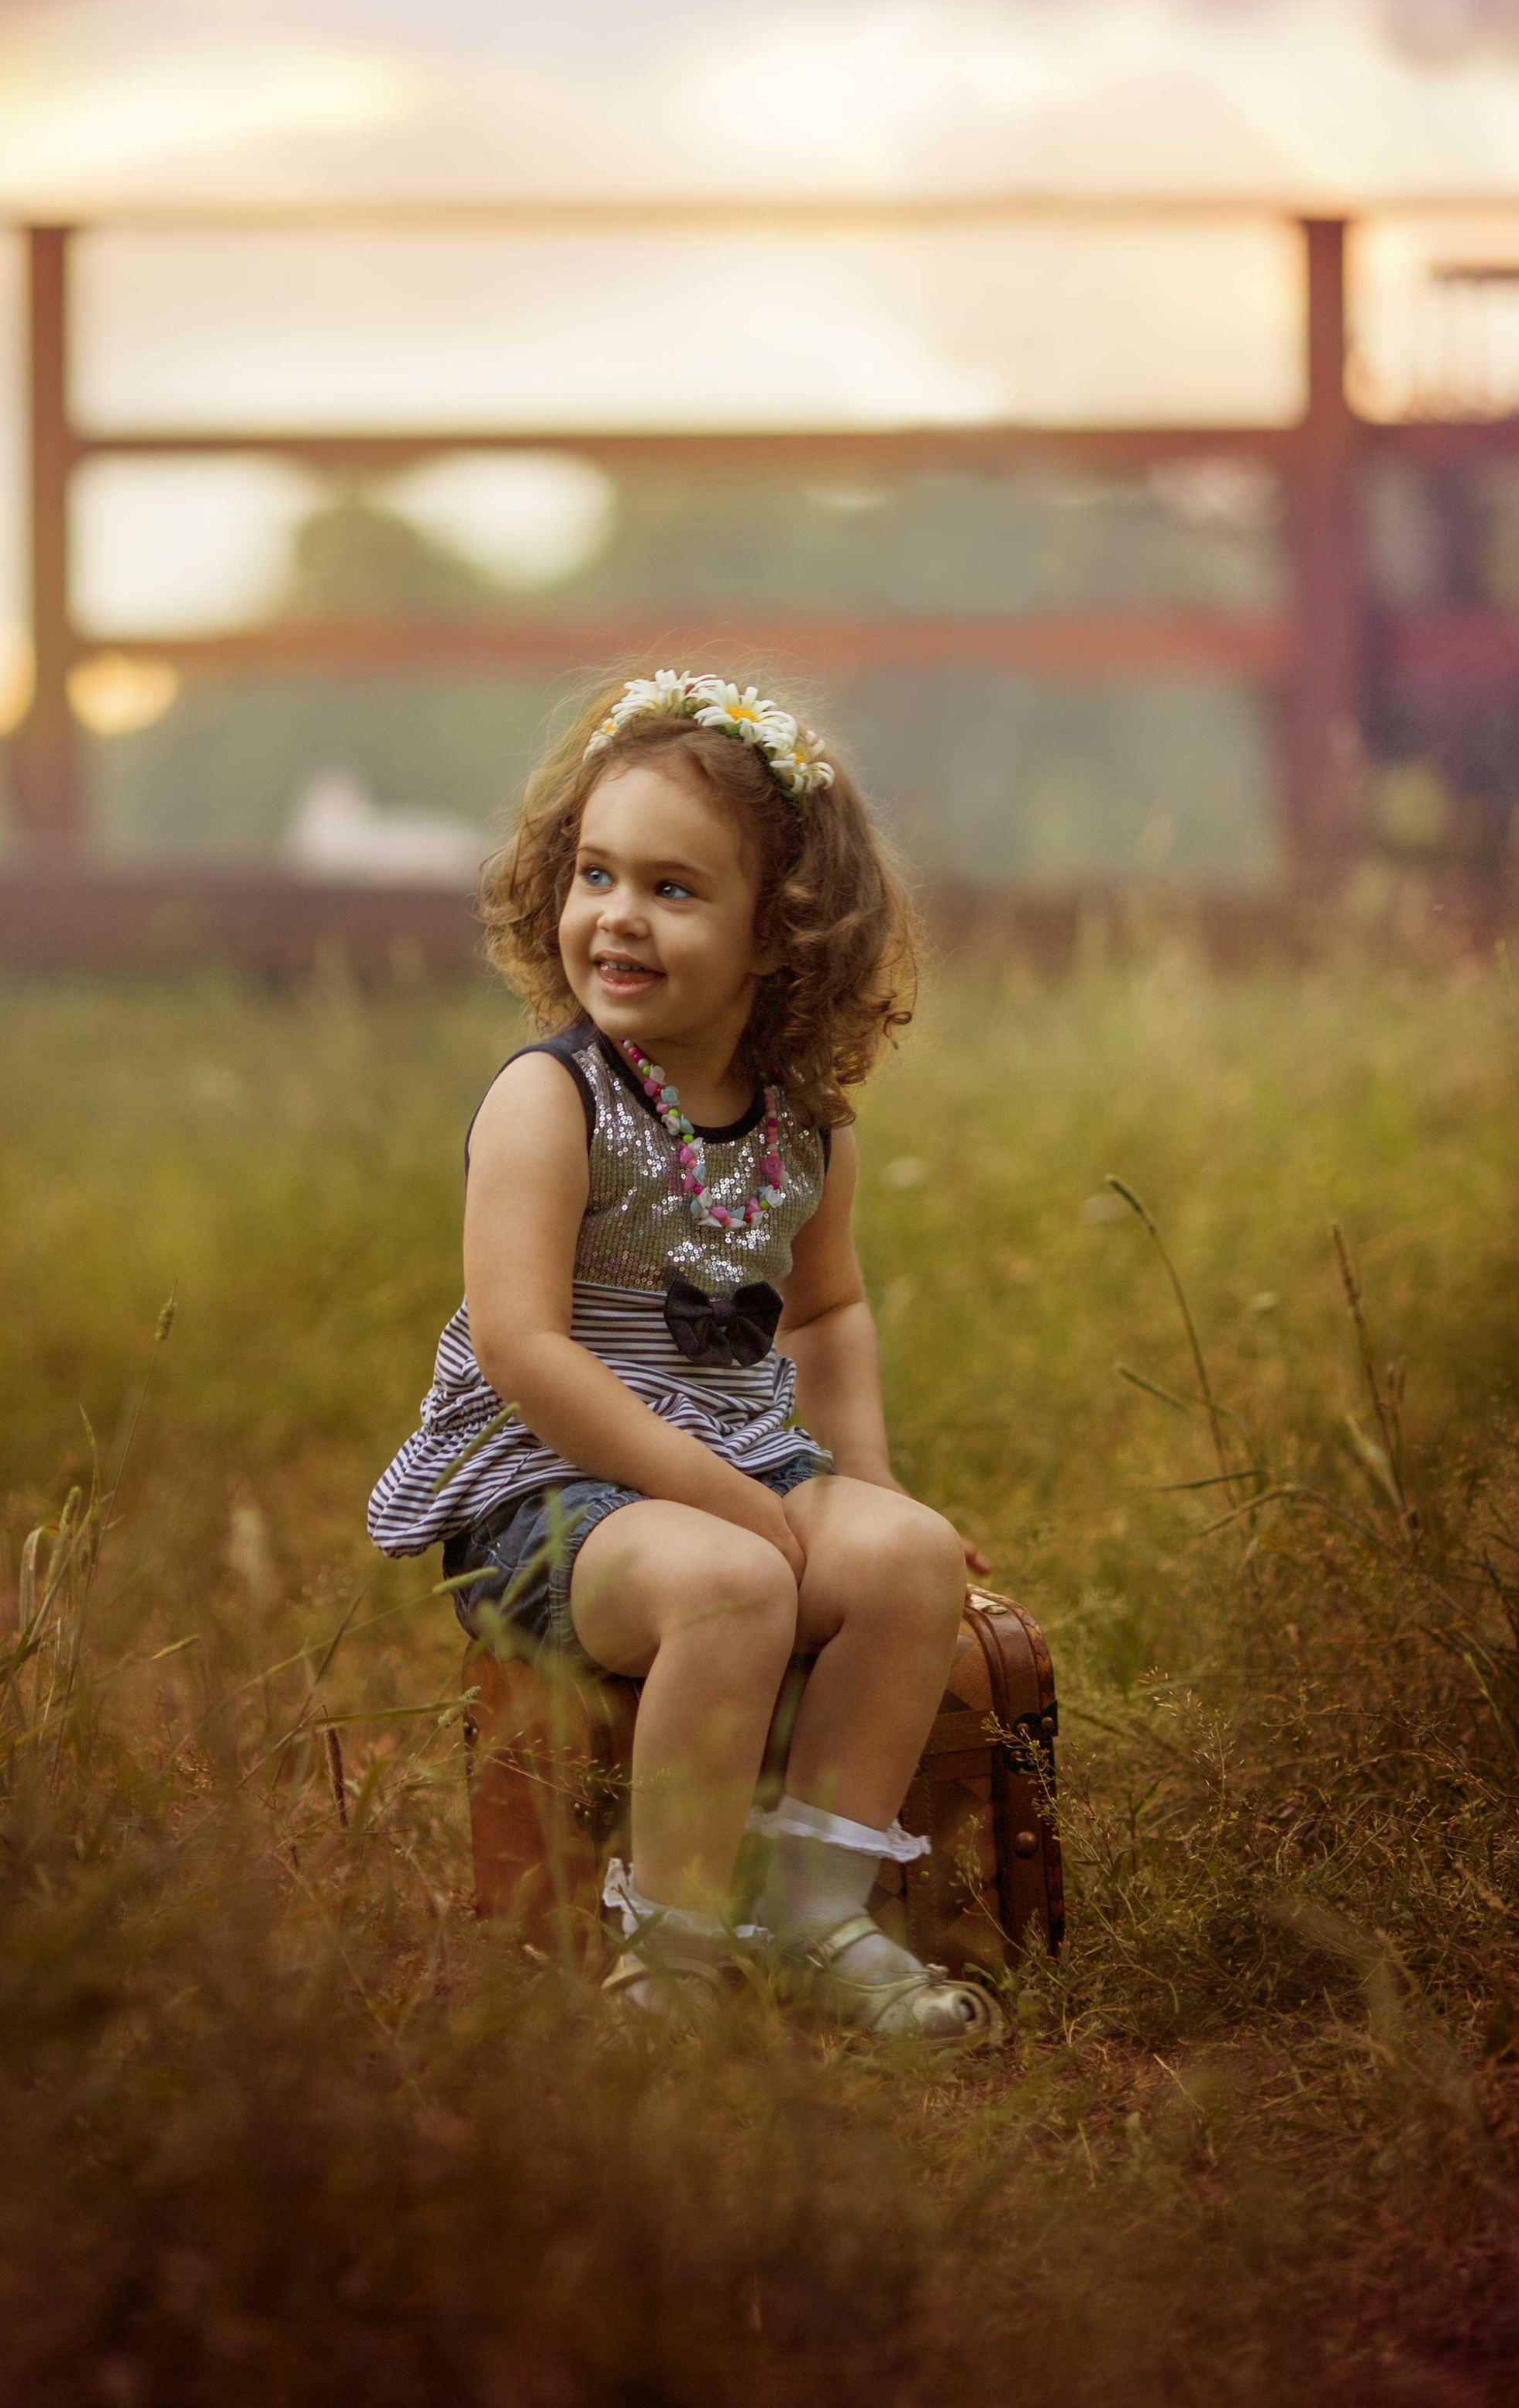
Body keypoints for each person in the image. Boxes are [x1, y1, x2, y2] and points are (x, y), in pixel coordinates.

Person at [368, 670, 1002, 2043]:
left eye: (672, 888)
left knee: (910, 1558)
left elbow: (824, 1314)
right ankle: (671, 1949)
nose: (617, 915)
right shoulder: (551, 1101)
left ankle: (814, 1909)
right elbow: (522, 1348)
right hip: (545, 1494)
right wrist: (712, 1496)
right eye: (594, 873)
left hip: (739, 1462)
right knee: (729, 1584)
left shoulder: (805, 1126)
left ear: (782, 934)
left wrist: (865, 1478)